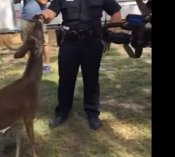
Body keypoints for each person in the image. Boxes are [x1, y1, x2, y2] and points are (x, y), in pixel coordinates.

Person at [35, 0, 122, 130]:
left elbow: (116, 12)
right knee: (65, 79)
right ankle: (62, 112)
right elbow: (51, 12)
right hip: (69, 43)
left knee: (91, 79)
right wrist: (44, 16)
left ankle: (92, 114)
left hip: (92, 43)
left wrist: (108, 34)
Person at [14, 0, 52, 73]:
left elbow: (44, 2)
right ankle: (32, 65)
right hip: (26, 18)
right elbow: (16, 2)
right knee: (27, 43)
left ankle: (47, 65)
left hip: (40, 18)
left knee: (44, 43)